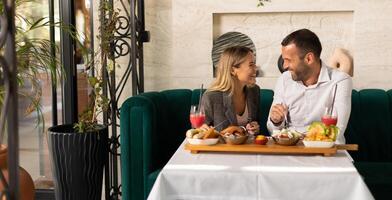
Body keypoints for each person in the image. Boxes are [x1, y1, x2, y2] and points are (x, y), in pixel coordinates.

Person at [267, 29, 352, 144]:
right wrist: (276, 121)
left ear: (309, 59)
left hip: (327, 150)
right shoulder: (284, 79)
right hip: (292, 147)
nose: (284, 66)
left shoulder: (340, 80)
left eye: (288, 60)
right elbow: (273, 130)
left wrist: (306, 139)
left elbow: (337, 130)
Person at [201, 46, 260, 134]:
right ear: (233, 70)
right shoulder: (211, 97)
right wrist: (201, 129)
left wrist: (255, 127)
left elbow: (256, 124)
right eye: (251, 64)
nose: (256, 68)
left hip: (248, 146)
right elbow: (200, 132)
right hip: (221, 147)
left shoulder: (254, 91)